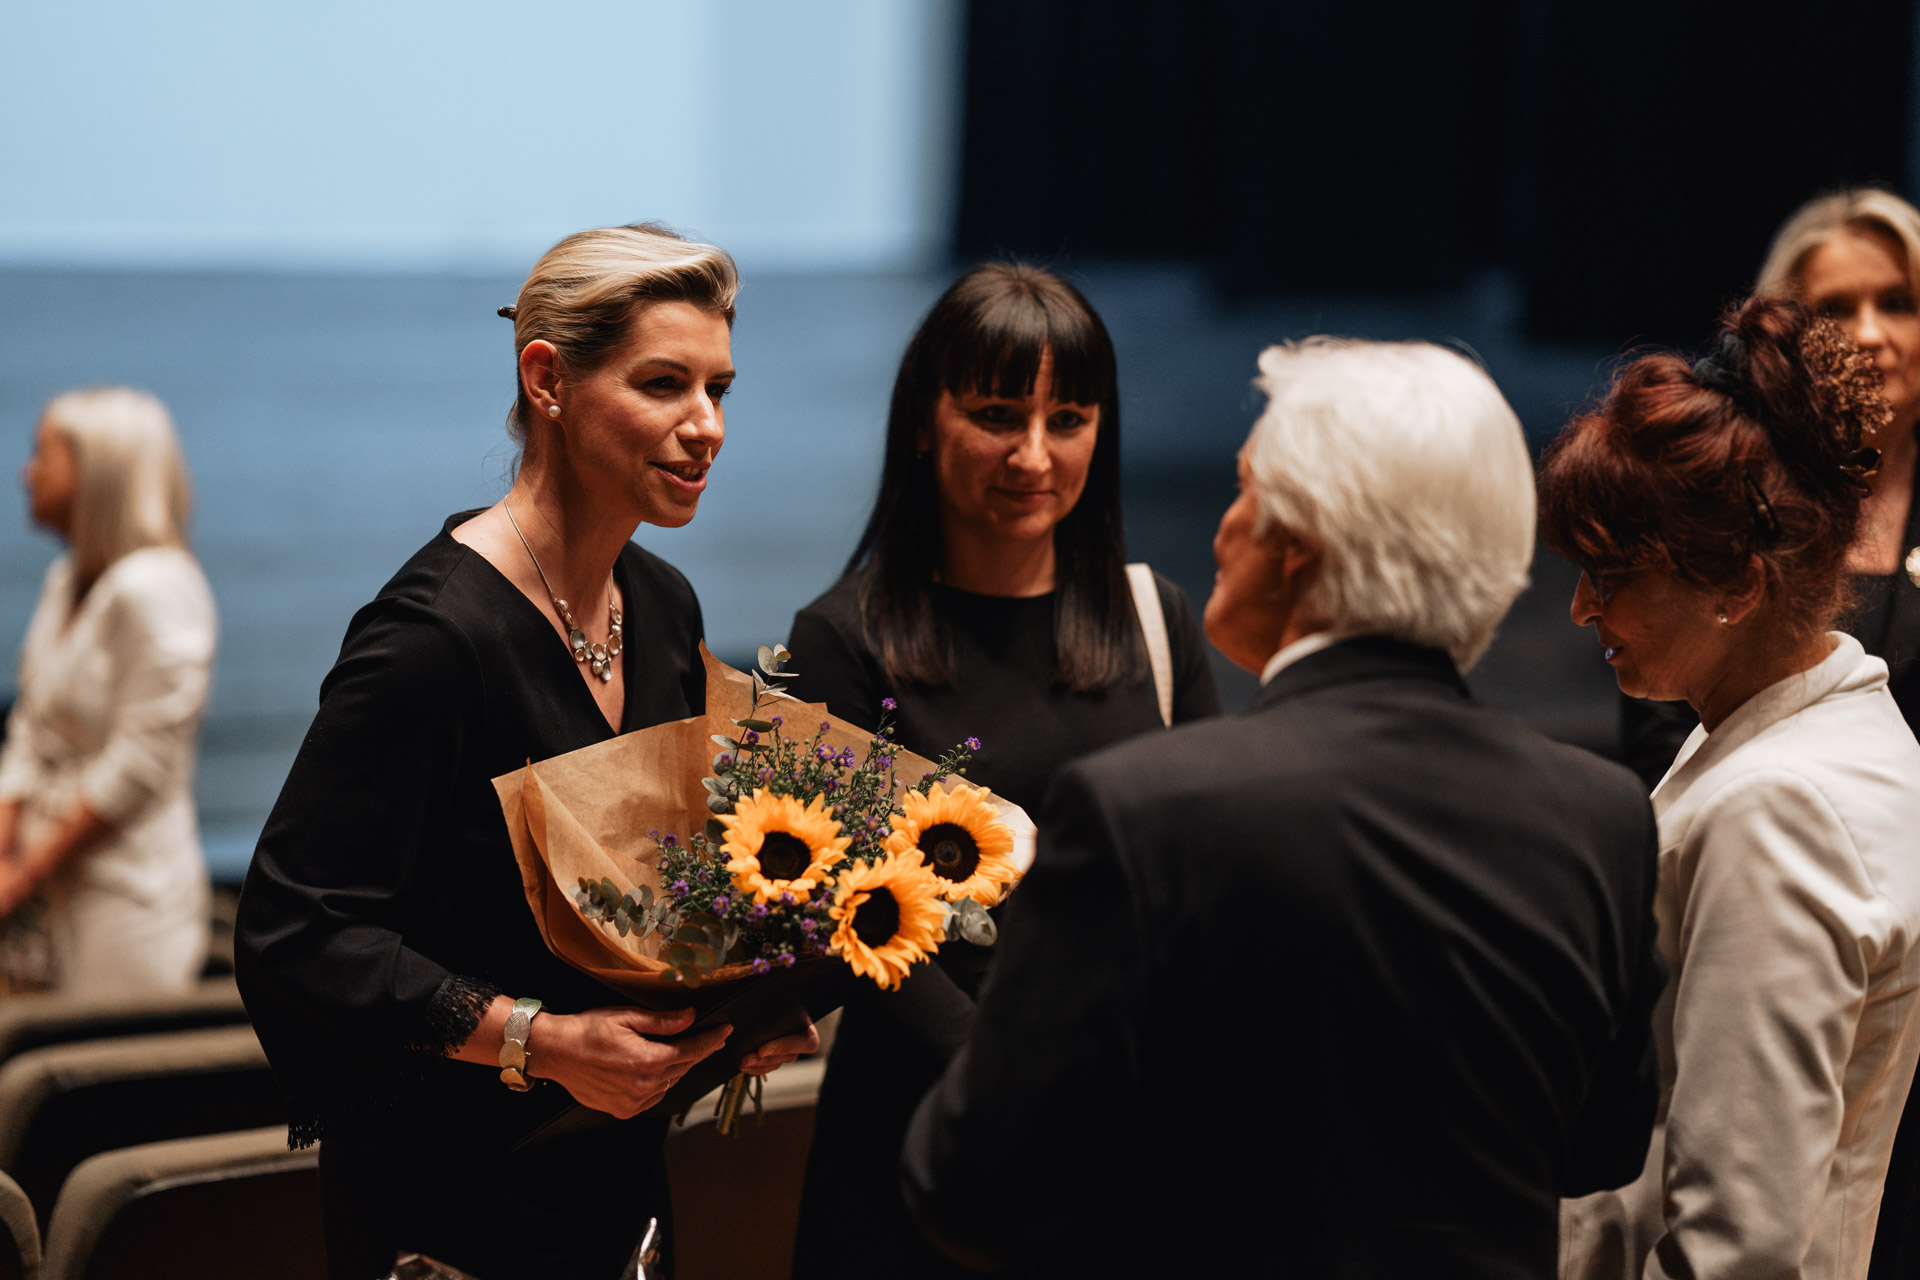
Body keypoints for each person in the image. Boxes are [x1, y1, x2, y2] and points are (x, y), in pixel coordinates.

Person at [902, 339, 1663, 1277]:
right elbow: (1603, 1152)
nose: (1223, 528)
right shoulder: (1603, 817)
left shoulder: (1143, 813)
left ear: (1296, 545)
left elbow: (972, 1187)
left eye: (1244, 491)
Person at [233, 224, 817, 1280]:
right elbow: (296, 933)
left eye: (719, 389)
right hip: (448, 1206)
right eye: (664, 384)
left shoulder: (661, 602)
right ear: (547, 380)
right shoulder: (433, 638)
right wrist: (542, 1041)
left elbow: (659, 896)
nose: (707, 426)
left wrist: (743, 1009)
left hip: (615, 1185)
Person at [785, 262, 1220, 1278]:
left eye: (1067, 419)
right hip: (918, 1153)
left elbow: (1205, 883)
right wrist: (1016, 1087)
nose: (1033, 455)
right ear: (923, 422)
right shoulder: (841, 641)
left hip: (1121, 1148)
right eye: (995, 415)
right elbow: (850, 913)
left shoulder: (1155, 619)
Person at [1548, 296, 1920, 1279]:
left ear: (1738, 586)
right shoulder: (1812, 725)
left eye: (1612, 575)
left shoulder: (1781, 806)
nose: (1580, 607)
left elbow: (1738, 1245)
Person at [1620, 187, 1920, 779]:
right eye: (1835, 310)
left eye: (1897, 303)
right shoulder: (1719, 494)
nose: (1869, 333)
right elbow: (1661, 727)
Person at [0, 387, 215, 995]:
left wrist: (24, 873)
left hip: (124, 899)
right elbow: (31, 728)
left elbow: (140, 764)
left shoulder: (158, 587)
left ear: (99, 468)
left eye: (43, 453)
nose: (26, 472)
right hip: (52, 893)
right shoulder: (65, 579)